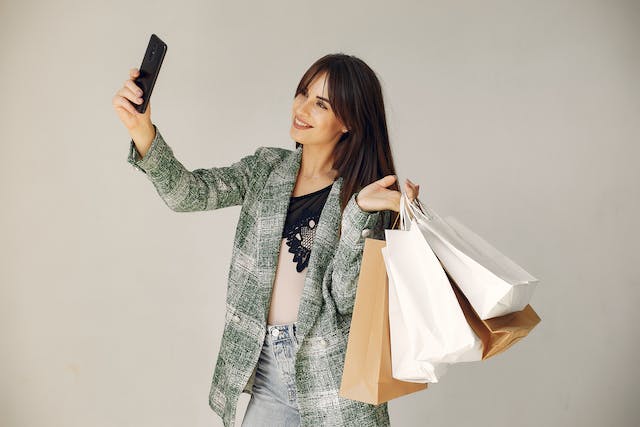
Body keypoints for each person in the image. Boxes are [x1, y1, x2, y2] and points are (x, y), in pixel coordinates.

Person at [113, 53, 420, 426]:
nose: (302, 108)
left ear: (349, 122)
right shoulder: (266, 169)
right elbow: (188, 194)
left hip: (334, 381)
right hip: (268, 374)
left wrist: (358, 214)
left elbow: (345, 299)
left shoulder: (363, 197)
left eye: (321, 104)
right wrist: (141, 128)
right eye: (303, 93)